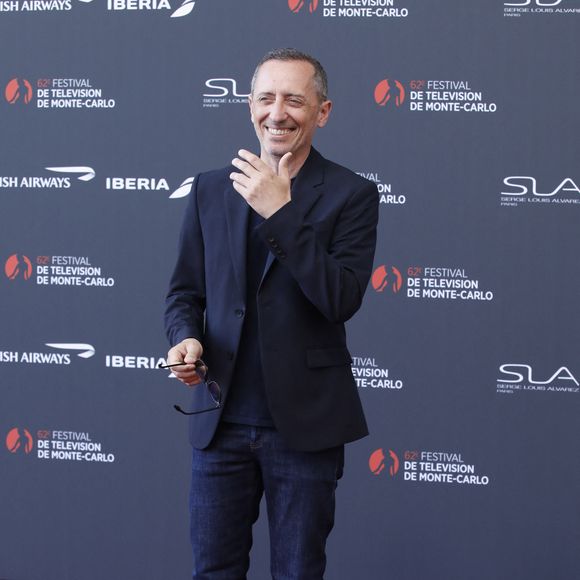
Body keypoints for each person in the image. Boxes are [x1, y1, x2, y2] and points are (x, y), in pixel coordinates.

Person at [164, 48, 379, 580]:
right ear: (249, 106)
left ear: (322, 112)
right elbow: (183, 294)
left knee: (297, 571)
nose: (277, 112)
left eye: (294, 100)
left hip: (304, 428)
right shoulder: (211, 188)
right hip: (219, 422)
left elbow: (341, 298)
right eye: (266, 97)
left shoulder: (353, 194)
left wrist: (279, 211)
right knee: (213, 570)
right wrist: (186, 339)